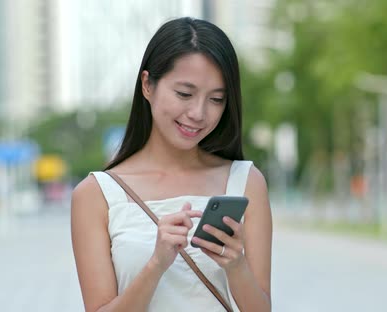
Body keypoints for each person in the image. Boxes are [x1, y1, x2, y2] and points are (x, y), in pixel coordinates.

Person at [71, 17, 272, 312]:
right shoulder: (96, 194)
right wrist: (157, 263)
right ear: (147, 85)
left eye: (216, 99)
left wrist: (236, 265)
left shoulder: (246, 181)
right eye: (185, 94)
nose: (198, 113)